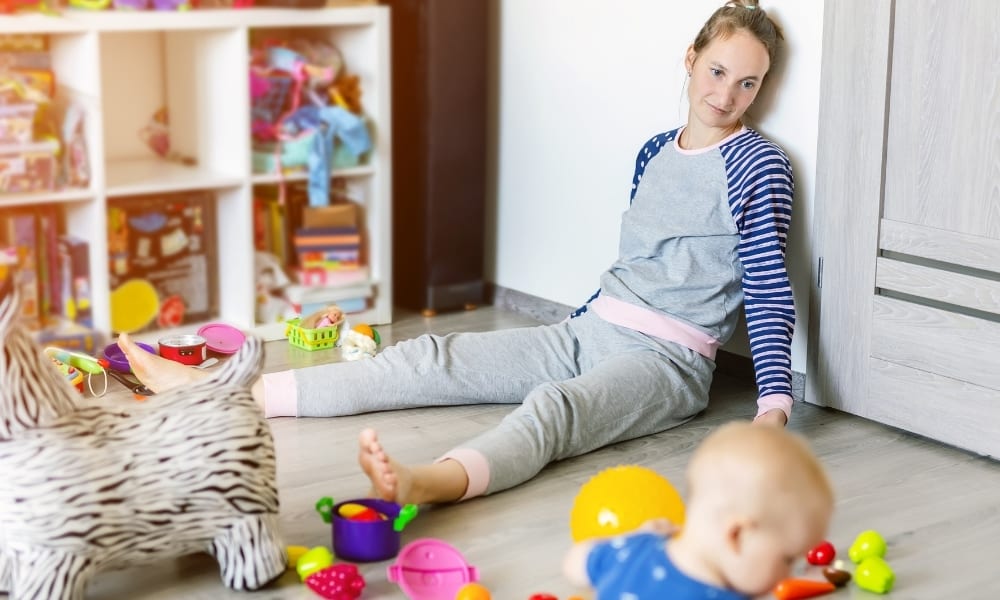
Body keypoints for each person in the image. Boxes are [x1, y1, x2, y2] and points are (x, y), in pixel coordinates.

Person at [118, 0, 794, 508]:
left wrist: (773, 407)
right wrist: (580, 325)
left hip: (667, 362)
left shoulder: (757, 166)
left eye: (748, 83)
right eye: (718, 71)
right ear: (691, 58)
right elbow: (638, 264)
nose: (726, 94)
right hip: (591, 330)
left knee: (555, 411)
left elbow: (767, 287)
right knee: (427, 355)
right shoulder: (654, 150)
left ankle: (427, 483)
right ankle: (223, 391)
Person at [562, 422, 834, 599]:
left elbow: (574, 563)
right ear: (736, 535)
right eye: (787, 559)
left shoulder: (631, 549)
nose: (787, 576)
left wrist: (635, 536)